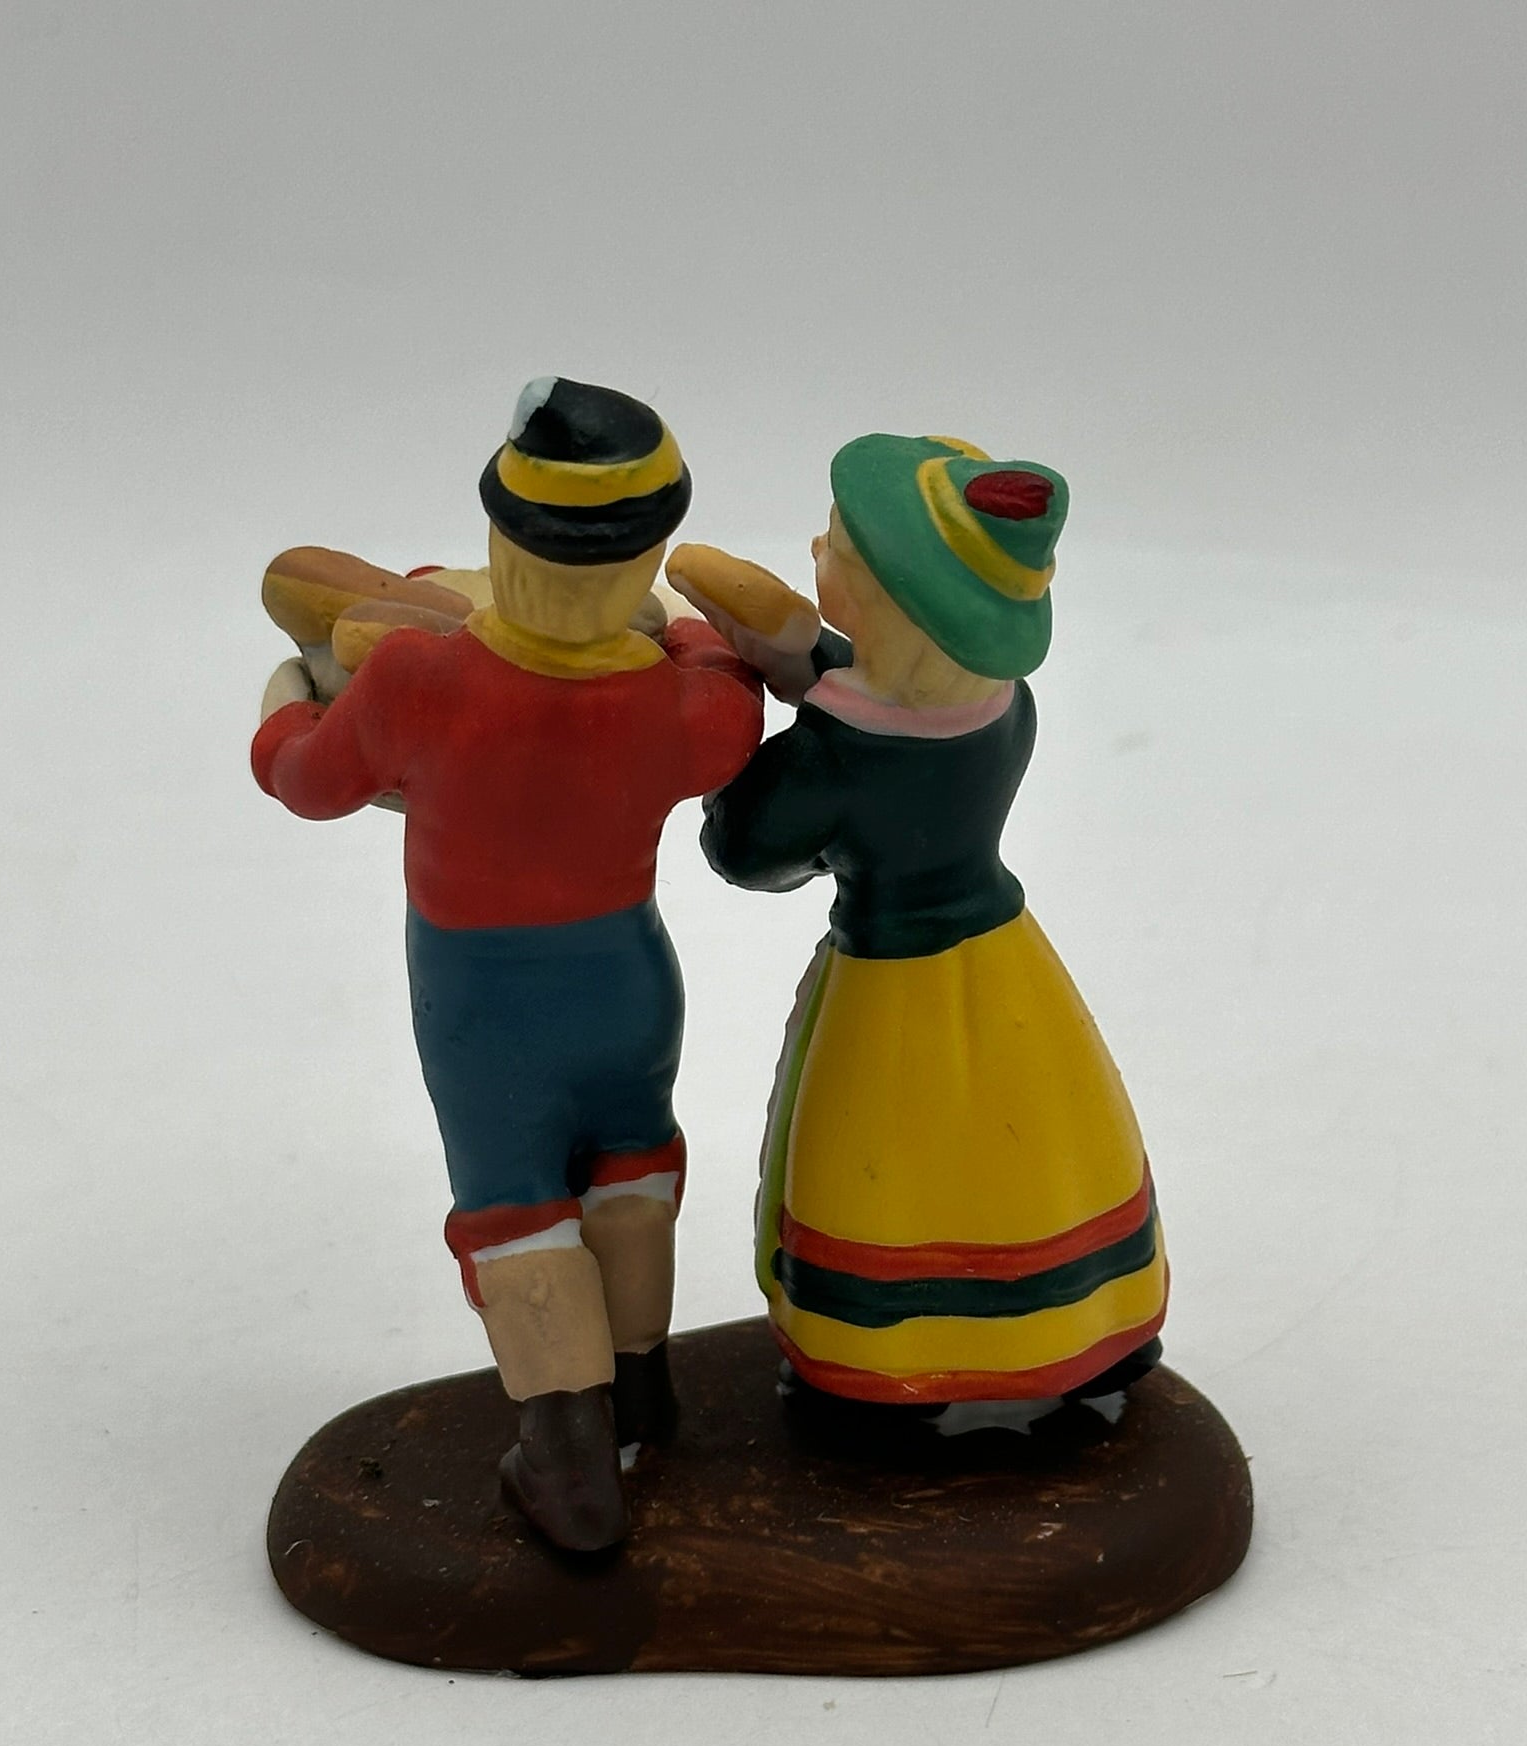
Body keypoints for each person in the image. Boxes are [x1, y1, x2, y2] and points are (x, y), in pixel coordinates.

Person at [253, 378, 763, 1548]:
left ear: (501, 539)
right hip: (628, 979)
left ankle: (569, 1460)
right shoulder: (676, 701)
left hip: (484, 1002)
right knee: (631, 1169)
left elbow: (307, 780)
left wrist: (283, 703)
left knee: (517, 1207)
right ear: (645, 558)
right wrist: (686, 631)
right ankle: (644, 1386)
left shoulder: (413, 679)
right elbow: (733, 699)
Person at [671, 433, 1167, 1407]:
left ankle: (894, 1365)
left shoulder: (836, 757)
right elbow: (889, 698)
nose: (816, 551)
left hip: (893, 981)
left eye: (836, 551)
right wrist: (810, 663)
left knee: (889, 1162)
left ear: (890, 605)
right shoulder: (1003, 707)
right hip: (1004, 960)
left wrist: (738, 720)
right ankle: (1081, 1328)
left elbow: (746, 848)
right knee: (1035, 1148)